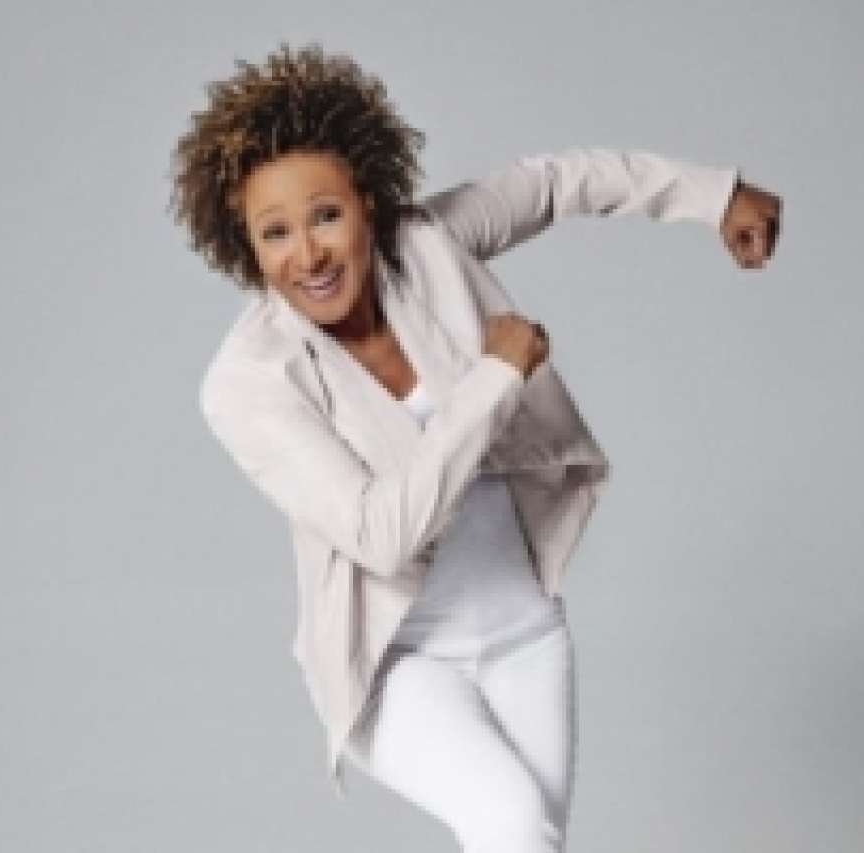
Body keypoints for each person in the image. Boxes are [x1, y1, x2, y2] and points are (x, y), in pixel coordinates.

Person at [171, 43, 780, 853]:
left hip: (527, 636)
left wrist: (714, 194)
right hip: (399, 665)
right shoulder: (247, 381)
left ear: (367, 201)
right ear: (243, 244)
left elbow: (555, 183)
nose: (307, 254)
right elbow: (381, 534)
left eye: (325, 215)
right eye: (273, 232)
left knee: (527, 841)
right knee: (511, 823)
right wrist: (495, 377)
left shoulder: (427, 244)